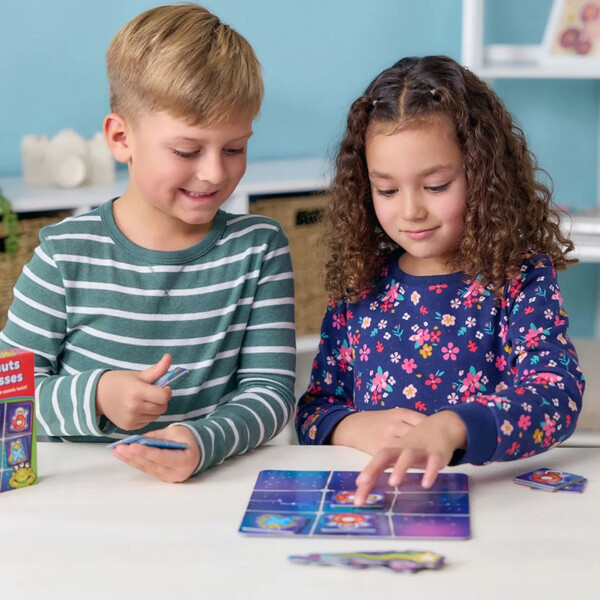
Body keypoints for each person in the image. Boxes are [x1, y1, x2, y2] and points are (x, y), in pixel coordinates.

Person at [1, 4, 296, 483]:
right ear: (121, 138)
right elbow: (9, 393)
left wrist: (204, 441)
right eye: (186, 151)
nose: (214, 173)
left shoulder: (259, 248)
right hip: (83, 490)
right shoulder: (64, 254)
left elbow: (270, 391)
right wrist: (97, 396)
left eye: (235, 148)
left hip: (209, 484)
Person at [295, 55, 585, 505]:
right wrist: (354, 427)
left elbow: (557, 395)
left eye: (435, 186)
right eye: (387, 190)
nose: (411, 211)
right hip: (381, 502)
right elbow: (314, 410)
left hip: (494, 503)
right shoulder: (360, 282)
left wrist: (455, 427)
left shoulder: (519, 277)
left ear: (483, 175)